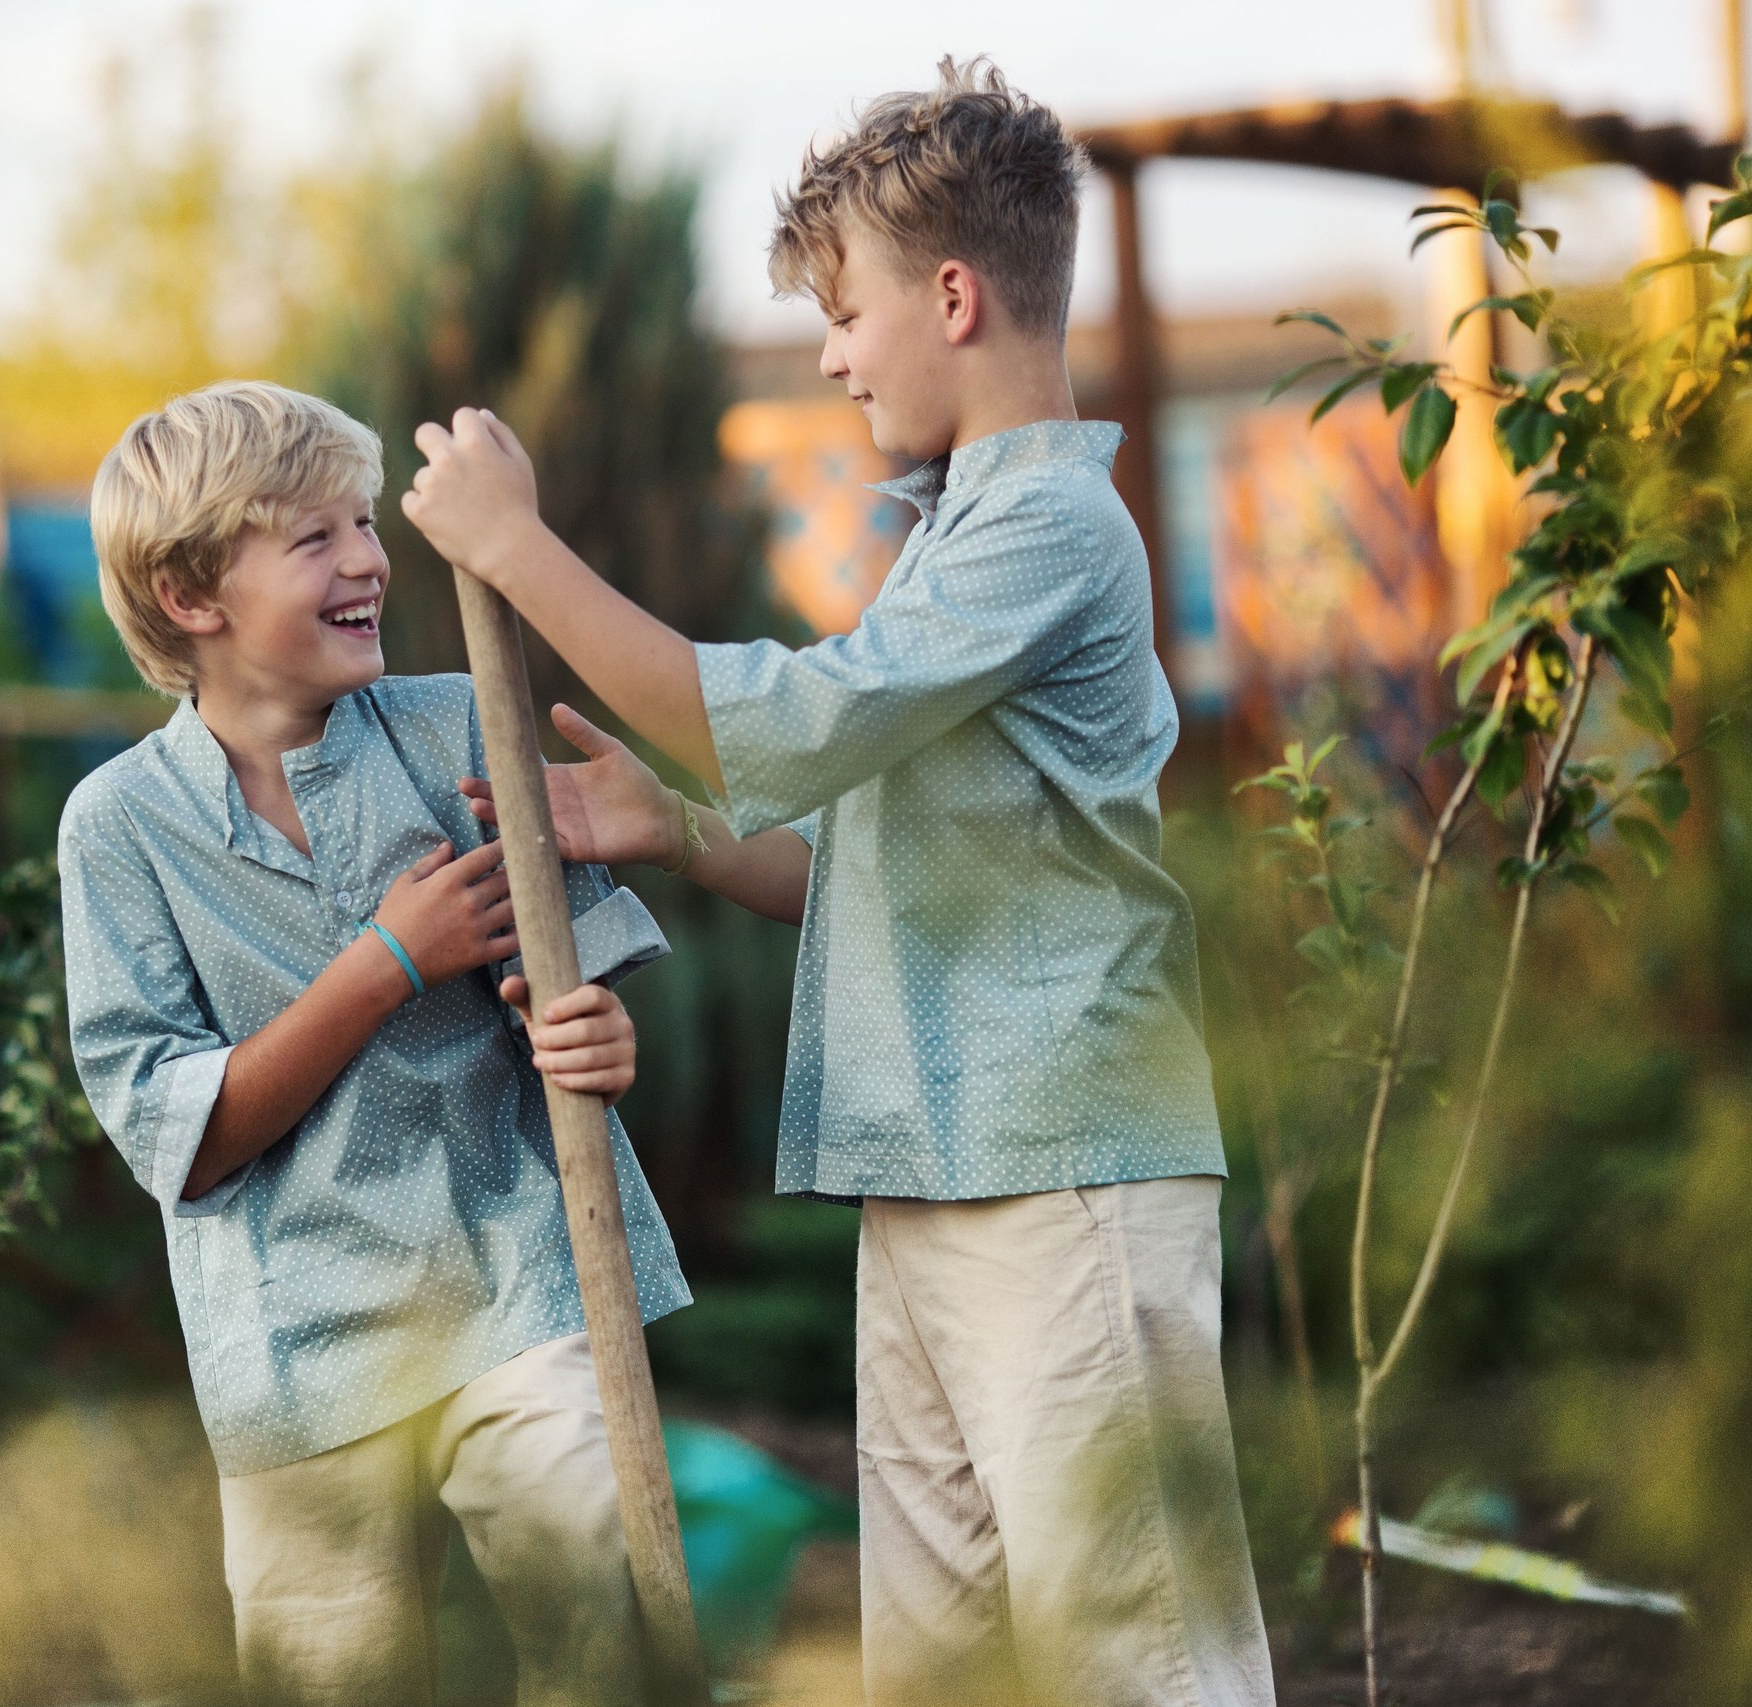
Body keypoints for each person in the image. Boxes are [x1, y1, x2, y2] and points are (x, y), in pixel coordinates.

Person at [403, 56, 1276, 1707]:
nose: (828, 352)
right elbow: (863, 862)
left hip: (1066, 1174)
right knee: (939, 1661)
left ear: (953, 295)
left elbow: (795, 721)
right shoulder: (950, 537)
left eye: (844, 308)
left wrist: (517, 550)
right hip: (933, 1172)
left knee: (1131, 1648)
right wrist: (674, 828)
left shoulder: (1053, 533)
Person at [58, 380, 689, 1707]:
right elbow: (193, 1138)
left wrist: (594, 1036)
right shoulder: (118, 827)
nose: (367, 558)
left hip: (512, 1275)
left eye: (363, 521)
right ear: (190, 596)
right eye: (313, 538)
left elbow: (570, 982)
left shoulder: (456, 722)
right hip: (297, 1352)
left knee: (603, 1630)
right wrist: (390, 961)